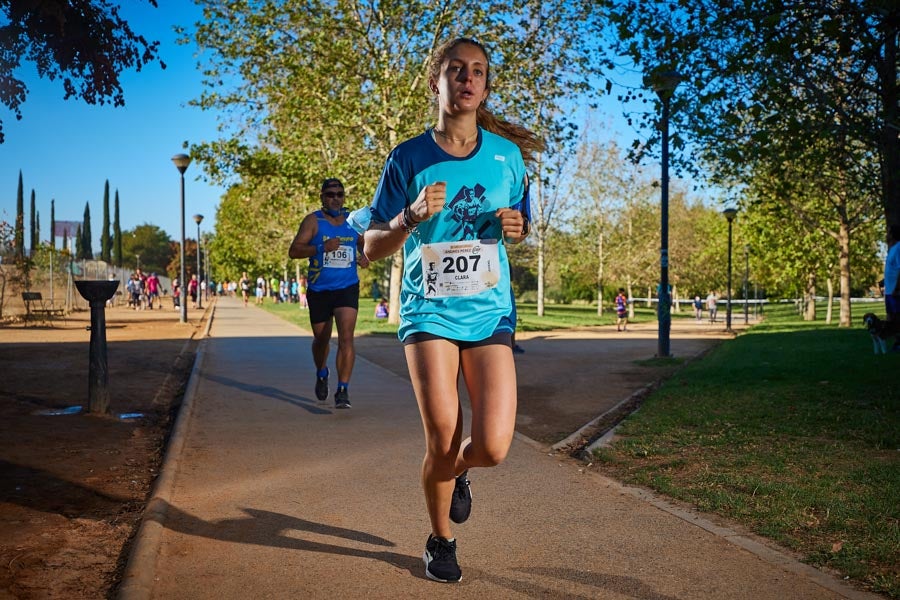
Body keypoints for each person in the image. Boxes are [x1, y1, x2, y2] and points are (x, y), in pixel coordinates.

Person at [362, 37, 540, 584]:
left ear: (485, 87)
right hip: (429, 311)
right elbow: (370, 246)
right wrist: (408, 218)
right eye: (457, 69)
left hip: (489, 311)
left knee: (491, 445)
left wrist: (518, 227)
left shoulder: (507, 158)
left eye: (478, 71)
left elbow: (522, 223)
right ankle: (441, 540)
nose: (468, 78)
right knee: (442, 437)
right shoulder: (407, 158)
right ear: (436, 81)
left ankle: (457, 473)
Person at [288, 178, 369, 409]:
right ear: (322, 197)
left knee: (346, 337)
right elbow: (294, 251)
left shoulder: (353, 222)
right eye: (330, 194)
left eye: (339, 194)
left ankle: (343, 390)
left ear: (344, 197)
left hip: (347, 287)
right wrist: (322, 247)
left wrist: (364, 256)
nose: (335, 198)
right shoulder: (313, 221)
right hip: (319, 289)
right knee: (321, 339)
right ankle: (322, 372)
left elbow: (365, 244)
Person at [883, 224, 900, 351]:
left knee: (897, 316)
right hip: (889, 290)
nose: (886, 234)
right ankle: (896, 341)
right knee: (891, 317)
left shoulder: (899, 248)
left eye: (888, 232)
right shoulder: (892, 249)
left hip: (895, 291)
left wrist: (897, 288)